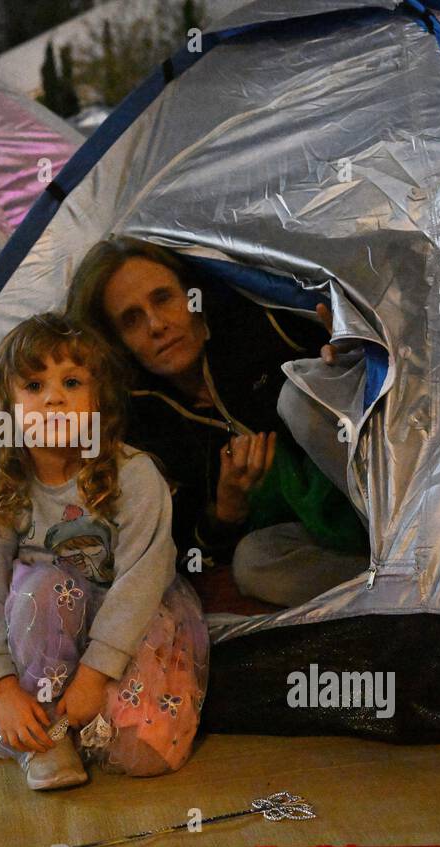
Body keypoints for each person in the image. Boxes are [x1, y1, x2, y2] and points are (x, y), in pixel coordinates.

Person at [0, 315, 209, 790]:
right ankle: (46, 739)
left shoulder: (135, 476)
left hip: (124, 627)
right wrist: (4, 689)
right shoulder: (3, 487)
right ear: (8, 408)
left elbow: (141, 583)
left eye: (71, 382)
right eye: (33, 385)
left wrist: (95, 676)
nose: (53, 398)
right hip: (42, 636)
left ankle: (92, 718)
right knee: (43, 586)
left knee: (145, 756)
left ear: (100, 402)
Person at [67, 236, 369, 608]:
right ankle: (388, 581)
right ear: (117, 345)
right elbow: (181, 554)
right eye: (132, 320)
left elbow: (353, 351)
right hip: (318, 537)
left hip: (370, 487)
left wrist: (349, 358)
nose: (157, 325)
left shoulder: (263, 323)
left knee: (299, 399)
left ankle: (407, 537)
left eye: (164, 299)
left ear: (193, 297)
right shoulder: (144, 435)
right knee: (253, 564)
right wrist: (225, 512)